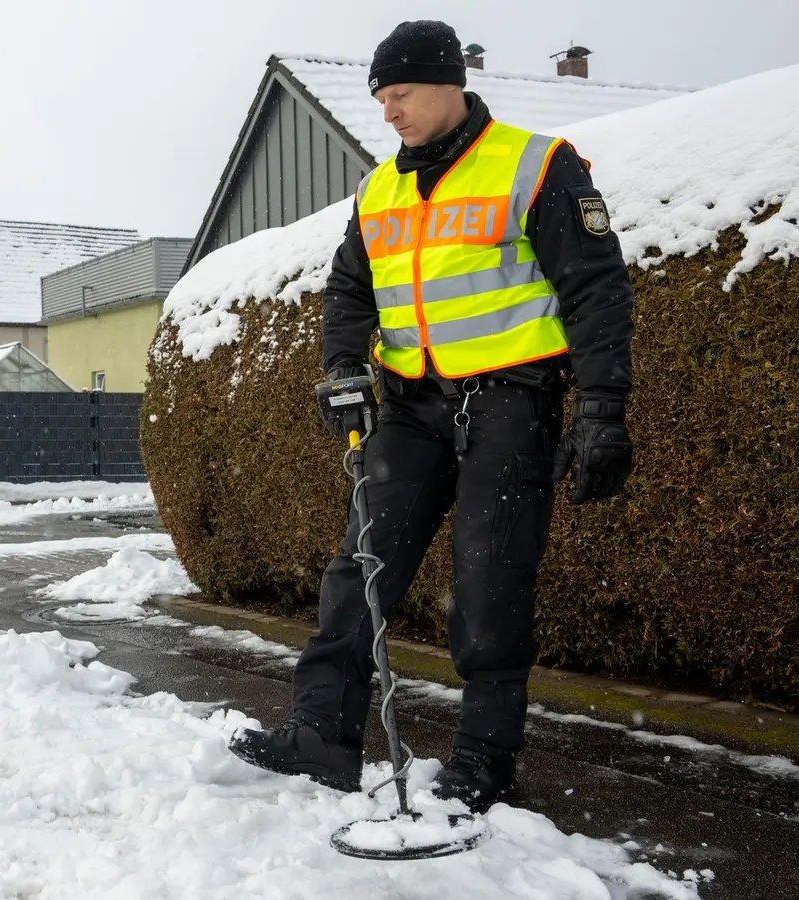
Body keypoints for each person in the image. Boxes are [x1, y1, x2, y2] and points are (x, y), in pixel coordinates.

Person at [230, 20, 635, 813]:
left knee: (488, 582)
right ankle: (322, 737)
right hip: (411, 407)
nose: (390, 112)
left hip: (509, 403)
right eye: (381, 98)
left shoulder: (536, 165)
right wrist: (344, 369)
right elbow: (350, 290)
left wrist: (601, 410)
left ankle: (484, 757)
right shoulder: (380, 187)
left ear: (448, 83)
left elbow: (597, 291)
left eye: (402, 94)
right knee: (360, 570)